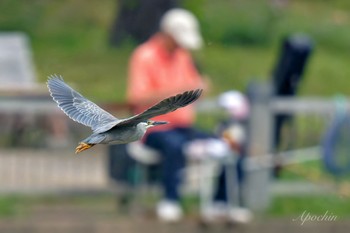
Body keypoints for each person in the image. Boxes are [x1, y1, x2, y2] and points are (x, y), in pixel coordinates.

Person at [126, 8, 209, 222]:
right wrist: (180, 90)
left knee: (222, 143)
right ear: (168, 34)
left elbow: (192, 87)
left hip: (183, 127)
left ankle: (220, 203)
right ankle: (170, 200)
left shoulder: (183, 55)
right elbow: (137, 98)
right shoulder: (144, 55)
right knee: (174, 146)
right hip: (153, 129)